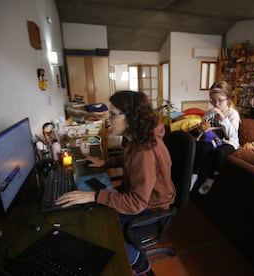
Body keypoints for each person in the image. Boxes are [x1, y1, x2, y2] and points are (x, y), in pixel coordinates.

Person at [55, 90, 175, 275]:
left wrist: (94, 196)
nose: (108, 119)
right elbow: (126, 159)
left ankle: (138, 263)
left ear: (131, 117)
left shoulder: (144, 151)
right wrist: (105, 162)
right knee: (96, 207)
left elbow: (136, 203)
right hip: (139, 196)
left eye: (112, 114)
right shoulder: (135, 138)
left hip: (152, 207)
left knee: (105, 225)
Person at [191, 85, 240, 194]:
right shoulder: (209, 113)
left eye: (220, 101)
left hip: (229, 142)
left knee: (220, 153)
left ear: (227, 99)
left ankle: (211, 178)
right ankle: (194, 175)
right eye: (213, 101)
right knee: (202, 147)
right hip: (213, 140)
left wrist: (223, 118)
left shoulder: (233, 114)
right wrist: (202, 128)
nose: (216, 104)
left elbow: (231, 136)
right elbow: (204, 132)